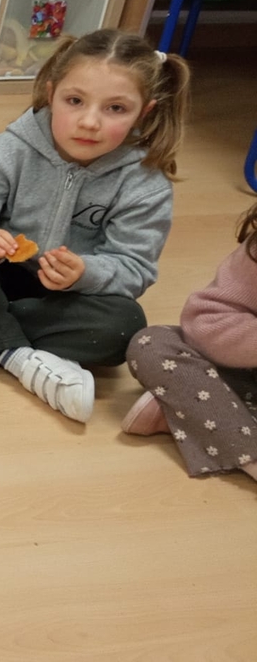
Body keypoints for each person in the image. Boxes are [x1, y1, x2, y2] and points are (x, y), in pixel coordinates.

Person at [0, 29, 191, 423]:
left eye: (116, 108)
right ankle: (16, 356)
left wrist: (84, 272)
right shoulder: (7, 150)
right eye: (75, 101)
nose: (89, 122)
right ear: (51, 94)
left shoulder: (145, 184)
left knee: (124, 327)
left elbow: (134, 268)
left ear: (144, 113)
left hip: (67, 298)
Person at [122, 201, 256, 481]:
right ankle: (237, 441)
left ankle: (188, 416)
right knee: (153, 344)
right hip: (244, 371)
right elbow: (208, 322)